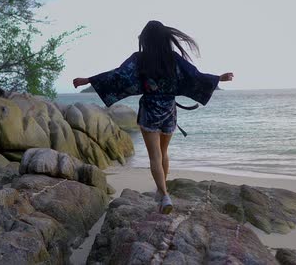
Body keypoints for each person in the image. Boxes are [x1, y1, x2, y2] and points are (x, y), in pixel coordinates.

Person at [73, 20, 234, 214]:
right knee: (163, 153)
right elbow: (194, 76)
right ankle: (161, 190)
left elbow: (118, 76)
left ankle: (164, 195)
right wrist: (218, 78)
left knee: (155, 157)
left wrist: (88, 80)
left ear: (146, 39)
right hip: (169, 111)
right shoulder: (173, 59)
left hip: (150, 111)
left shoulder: (139, 59)